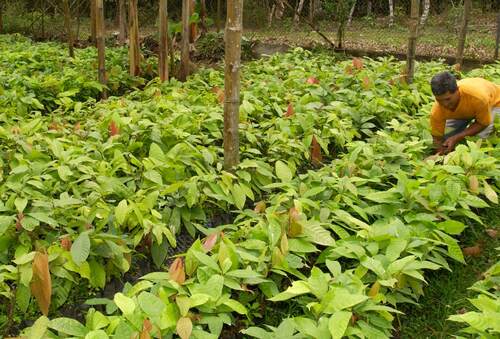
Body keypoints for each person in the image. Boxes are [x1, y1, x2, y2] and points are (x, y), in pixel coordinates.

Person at [429, 71, 500, 154]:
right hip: (468, 108)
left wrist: (457, 137)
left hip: (494, 102)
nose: (445, 104)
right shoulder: (437, 110)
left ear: (457, 91)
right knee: (447, 136)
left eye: (448, 99)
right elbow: (437, 138)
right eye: (439, 100)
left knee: (480, 139)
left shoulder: (479, 98)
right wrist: (439, 154)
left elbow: (482, 124)